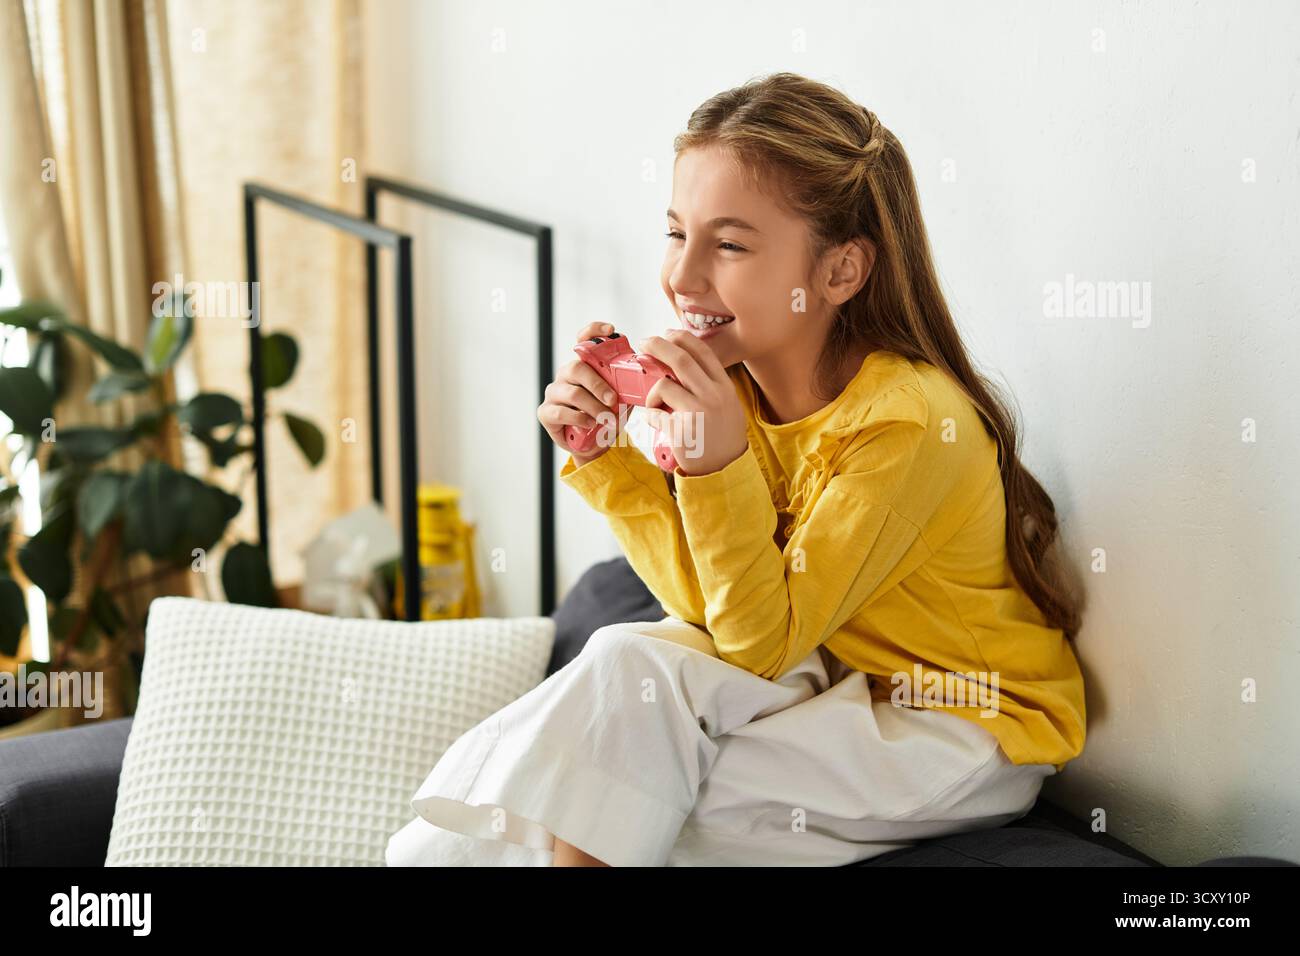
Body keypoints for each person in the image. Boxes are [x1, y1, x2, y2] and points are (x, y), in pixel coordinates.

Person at [386, 71, 1086, 868]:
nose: (682, 278)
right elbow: (713, 615)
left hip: (958, 722)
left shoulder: (907, 422)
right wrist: (607, 458)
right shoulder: (738, 390)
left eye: (728, 244)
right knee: (627, 664)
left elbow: (758, 648)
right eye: (677, 233)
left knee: (612, 793)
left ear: (840, 273)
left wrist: (713, 464)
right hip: (827, 673)